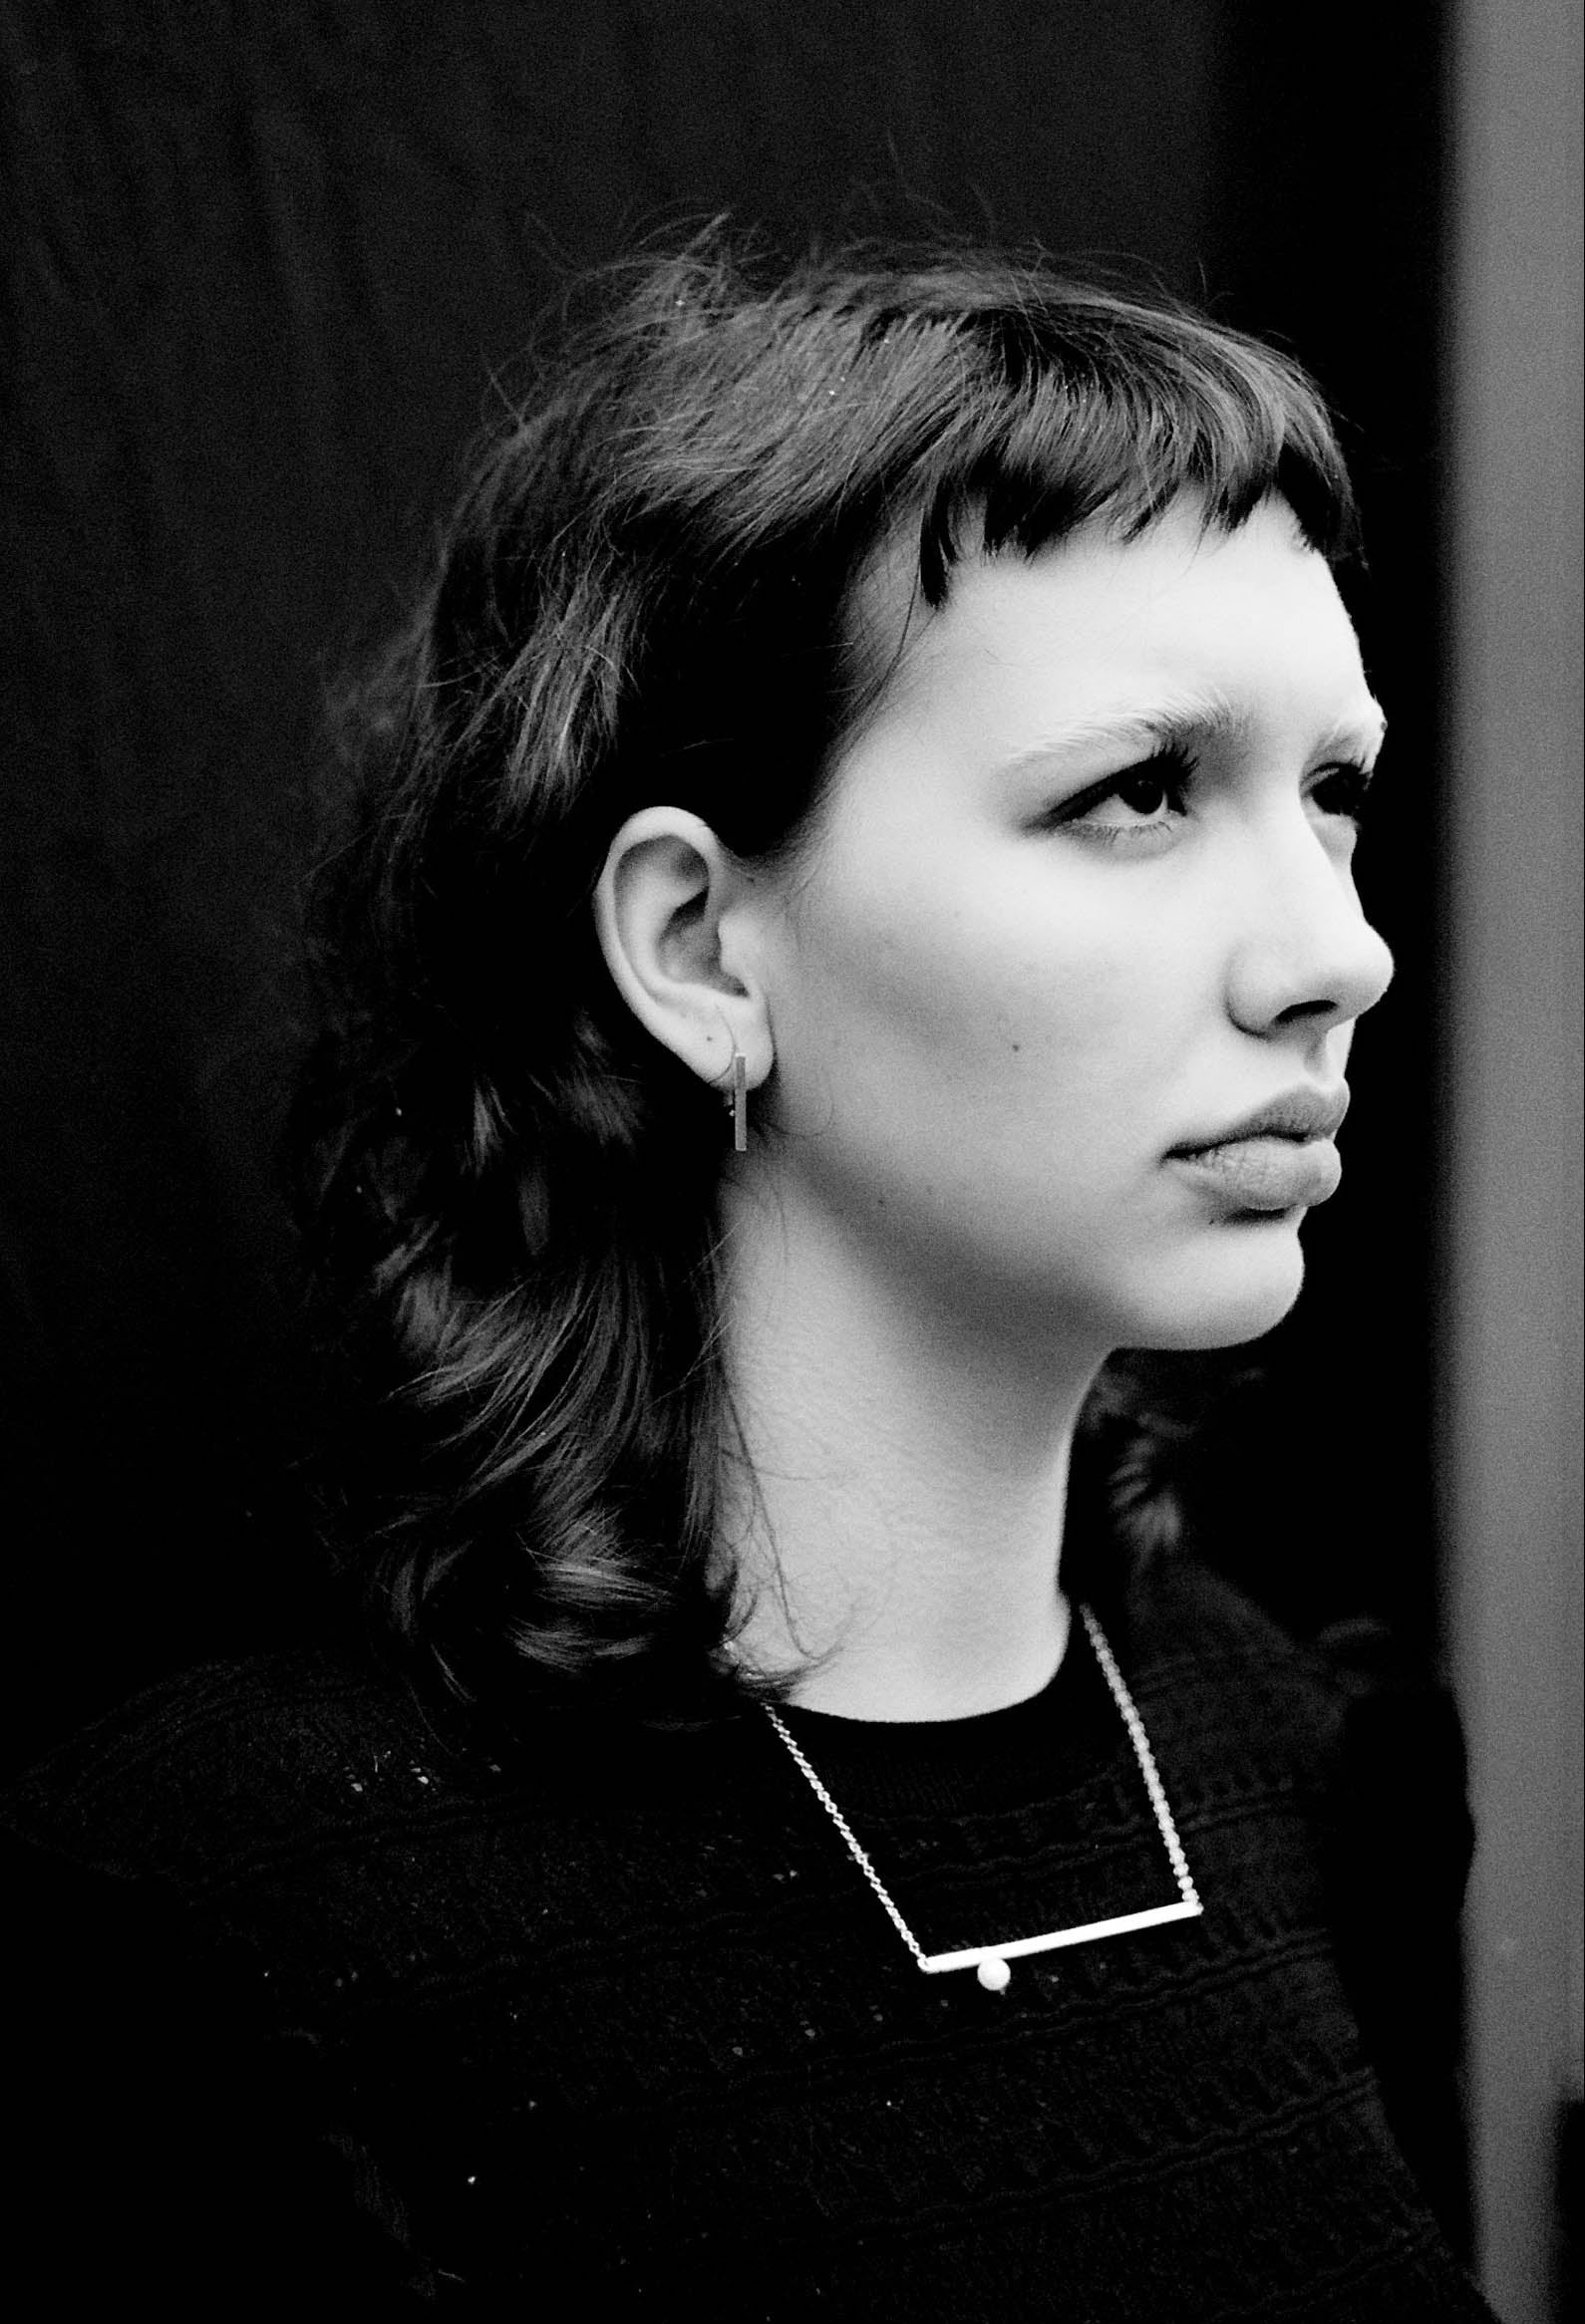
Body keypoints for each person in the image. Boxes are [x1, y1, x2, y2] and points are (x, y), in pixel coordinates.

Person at [1, 235, 1495, 2317]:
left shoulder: (1308, 1768)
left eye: (1332, 791)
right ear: (700, 949)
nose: (1340, 950)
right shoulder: (231, 1919)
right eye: (1140, 790)